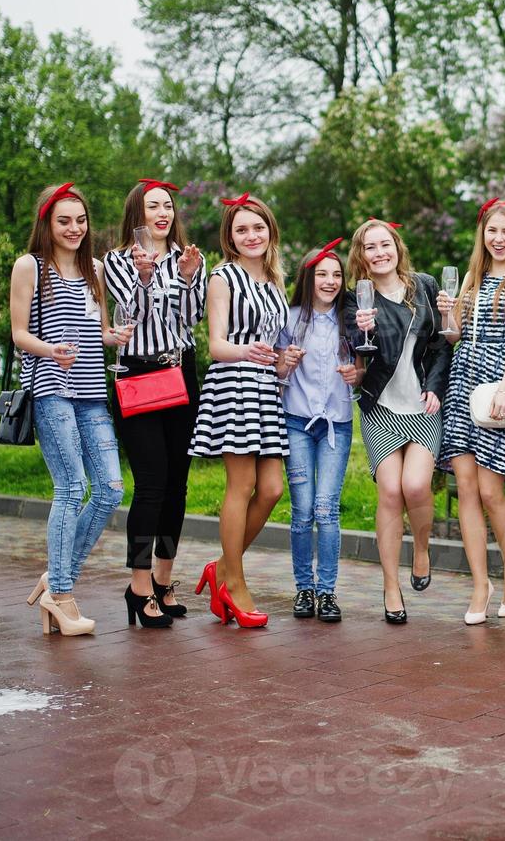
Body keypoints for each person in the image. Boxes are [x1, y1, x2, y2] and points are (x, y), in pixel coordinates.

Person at [10, 183, 134, 636]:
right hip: (50, 386)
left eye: (80, 220)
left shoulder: (94, 269)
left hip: (90, 391)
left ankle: (56, 578)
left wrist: (113, 338)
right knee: (72, 487)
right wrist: (50, 350)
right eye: (64, 220)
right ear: (47, 222)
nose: (74, 228)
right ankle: (61, 594)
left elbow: (96, 330)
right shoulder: (30, 266)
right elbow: (19, 333)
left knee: (110, 489)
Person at [104, 178, 206, 628]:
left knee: (178, 484)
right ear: (137, 213)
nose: (162, 213)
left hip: (181, 373)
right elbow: (132, 316)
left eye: (167, 206)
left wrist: (185, 278)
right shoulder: (116, 261)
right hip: (139, 376)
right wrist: (145, 277)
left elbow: (191, 319)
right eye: (153, 206)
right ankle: (139, 585)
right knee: (151, 484)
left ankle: (164, 580)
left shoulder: (189, 259)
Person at [189, 192, 289, 629]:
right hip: (234, 385)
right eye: (242, 229)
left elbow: (274, 344)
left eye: (258, 227)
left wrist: (283, 361)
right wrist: (248, 352)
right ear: (230, 237)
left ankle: (221, 569)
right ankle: (237, 585)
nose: (251, 236)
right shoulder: (222, 277)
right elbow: (215, 346)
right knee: (242, 484)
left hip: (267, 390)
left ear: (270, 231)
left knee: (271, 489)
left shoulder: (273, 280)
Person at [435, 199, 505, 625]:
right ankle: (480, 583)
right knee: (467, 491)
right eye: (492, 231)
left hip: (498, 381)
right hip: (463, 383)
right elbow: (457, 336)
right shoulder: (472, 276)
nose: (499, 239)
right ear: (483, 234)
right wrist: (448, 317)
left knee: (493, 491)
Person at [349, 219, 451, 624]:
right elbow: (355, 351)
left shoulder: (423, 285)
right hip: (382, 409)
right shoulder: (358, 298)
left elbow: (442, 342)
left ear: (396, 246)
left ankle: (422, 549)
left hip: (422, 407)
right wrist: (360, 333)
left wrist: (436, 387)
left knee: (416, 485)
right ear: (362, 256)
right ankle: (391, 587)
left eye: (384, 244)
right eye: (370, 247)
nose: (379, 253)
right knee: (390, 491)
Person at [276, 238, 357, 624]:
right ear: (307, 278)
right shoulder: (289, 319)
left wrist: (356, 374)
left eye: (336, 274)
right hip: (296, 422)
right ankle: (303, 589)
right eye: (322, 274)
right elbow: (274, 372)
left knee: (326, 510)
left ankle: (327, 592)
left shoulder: (351, 321)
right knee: (302, 510)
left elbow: (366, 368)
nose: (330, 281)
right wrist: (283, 363)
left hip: (336, 426)